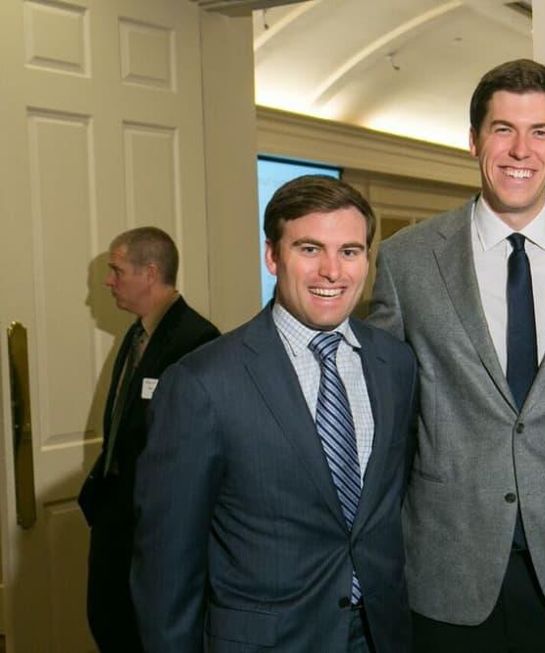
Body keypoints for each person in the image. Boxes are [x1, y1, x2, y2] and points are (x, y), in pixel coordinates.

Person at [368, 59, 545, 652]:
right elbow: (381, 411)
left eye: (540, 131)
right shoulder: (408, 259)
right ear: (474, 140)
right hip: (449, 571)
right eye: (503, 129)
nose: (521, 149)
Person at [131, 176, 418, 652]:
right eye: (310, 249)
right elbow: (165, 568)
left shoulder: (396, 364)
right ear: (272, 256)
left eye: (349, 251)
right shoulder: (203, 383)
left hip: (381, 636)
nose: (332, 271)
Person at [77, 227, 219, 652]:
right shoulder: (137, 334)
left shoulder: (197, 341)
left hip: (152, 529)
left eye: (117, 270)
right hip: (117, 519)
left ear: (150, 272)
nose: (108, 281)